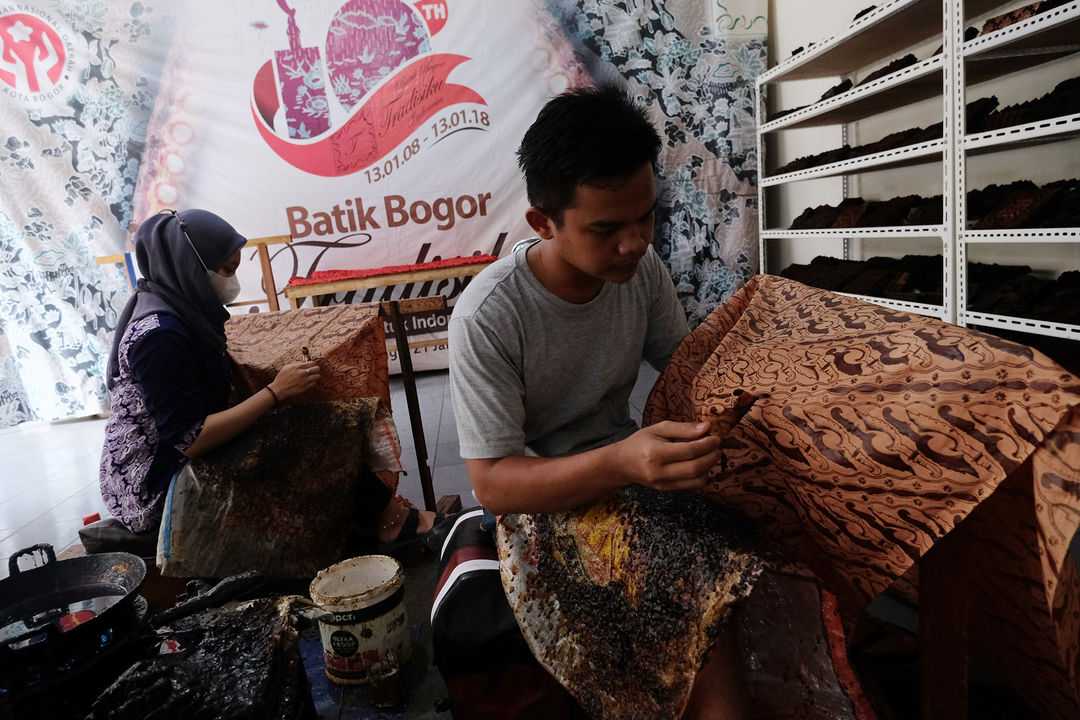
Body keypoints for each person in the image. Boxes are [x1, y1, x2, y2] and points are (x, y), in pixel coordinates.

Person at [448, 86, 749, 718]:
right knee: (694, 577)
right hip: (540, 510)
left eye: (646, 218)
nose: (634, 243)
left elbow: (689, 368)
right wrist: (620, 463)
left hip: (630, 472)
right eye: (606, 229)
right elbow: (495, 484)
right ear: (544, 223)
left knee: (761, 517)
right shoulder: (490, 315)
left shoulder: (640, 270)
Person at [99, 208, 437, 549]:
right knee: (300, 437)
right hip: (151, 487)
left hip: (174, 459)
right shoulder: (159, 336)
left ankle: (369, 516)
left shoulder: (180, 311)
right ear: (190, 268)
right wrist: (274, 393)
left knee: (311, 422)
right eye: (227, 270)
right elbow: (191, 439)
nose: (233, 281)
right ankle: (388, 522)